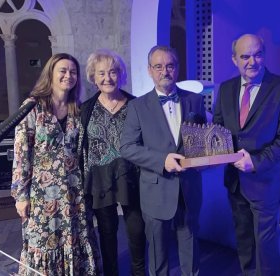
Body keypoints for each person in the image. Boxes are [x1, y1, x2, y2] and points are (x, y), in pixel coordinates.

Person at [213, 34, 280, 275]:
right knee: (243, 240)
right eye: (245, 56)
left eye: (258, 54)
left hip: (264, 181)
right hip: (234, 181)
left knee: (266, 244)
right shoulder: (226, 88)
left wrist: (256, 162)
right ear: (234, 60)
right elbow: (219, 129)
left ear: (264, 55)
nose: (252, 61)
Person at [11, 53, 101, 275]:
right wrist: (20, 196)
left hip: (74, 193)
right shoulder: (32, 107)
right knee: (44, 242)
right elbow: (22, 153)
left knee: (75, 240)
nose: (68, 75)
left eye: (73, 71)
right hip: (42, 195)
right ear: (50, 73)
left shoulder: (77, 110)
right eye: (63, 70)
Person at [120, 45, 206, 276]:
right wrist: (162, 160)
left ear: (177, 68)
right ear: (149, 70)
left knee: (191, 250)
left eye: (170, 65)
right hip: (155, 191)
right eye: (158, 66)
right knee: (158, 256)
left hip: (189, 189)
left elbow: (202, 141)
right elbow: (127, 147)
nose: (164, 71)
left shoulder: (195, 101)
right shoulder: (137, 106)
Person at [80, 49, 146, 276]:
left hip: (132, 177)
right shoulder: (85, 109)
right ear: (93, 77)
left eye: (113, 72)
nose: (107, 78)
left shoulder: (137, 105)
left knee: (137, 234)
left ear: (121, 75)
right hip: (99, 180)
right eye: (101, 73)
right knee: (107, 235)